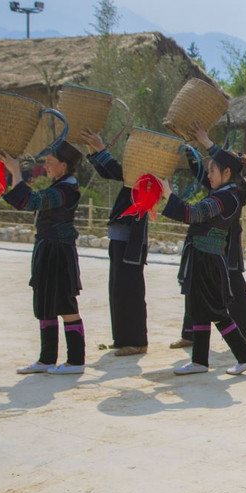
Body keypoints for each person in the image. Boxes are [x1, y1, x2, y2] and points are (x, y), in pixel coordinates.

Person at [156, 144, 246, 376]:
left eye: (212, 171)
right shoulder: (226, 195)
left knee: (216, 311)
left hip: (208, 261)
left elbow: (194, 214)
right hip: (203, 257)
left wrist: (168, 194)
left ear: (227, 173)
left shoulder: (226, 198)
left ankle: (245, 356)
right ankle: (199, 361)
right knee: (199, 309)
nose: (208, 176)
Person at [0, 142, 89, 375]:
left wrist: (15, 171)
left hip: (60, 251)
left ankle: (76, 361)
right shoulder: (59, 185)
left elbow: (32, 201)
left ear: (63, 166)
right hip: (47, 249)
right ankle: (46, 359)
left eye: (49, 161)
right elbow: (26, 201)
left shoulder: (67, 189)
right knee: (45, 303)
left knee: (65, 304)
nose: (45, 165)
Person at [83, 129, 149, 357]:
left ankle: (137, 341)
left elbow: (115, 171)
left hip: (132, 240)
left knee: (131, 290)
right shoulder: (134, 172)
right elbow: (109, 172)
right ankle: (122, 338)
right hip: (121, 237)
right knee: (118, 289)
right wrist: (93, 150)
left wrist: (100, 148)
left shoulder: (144, 173)